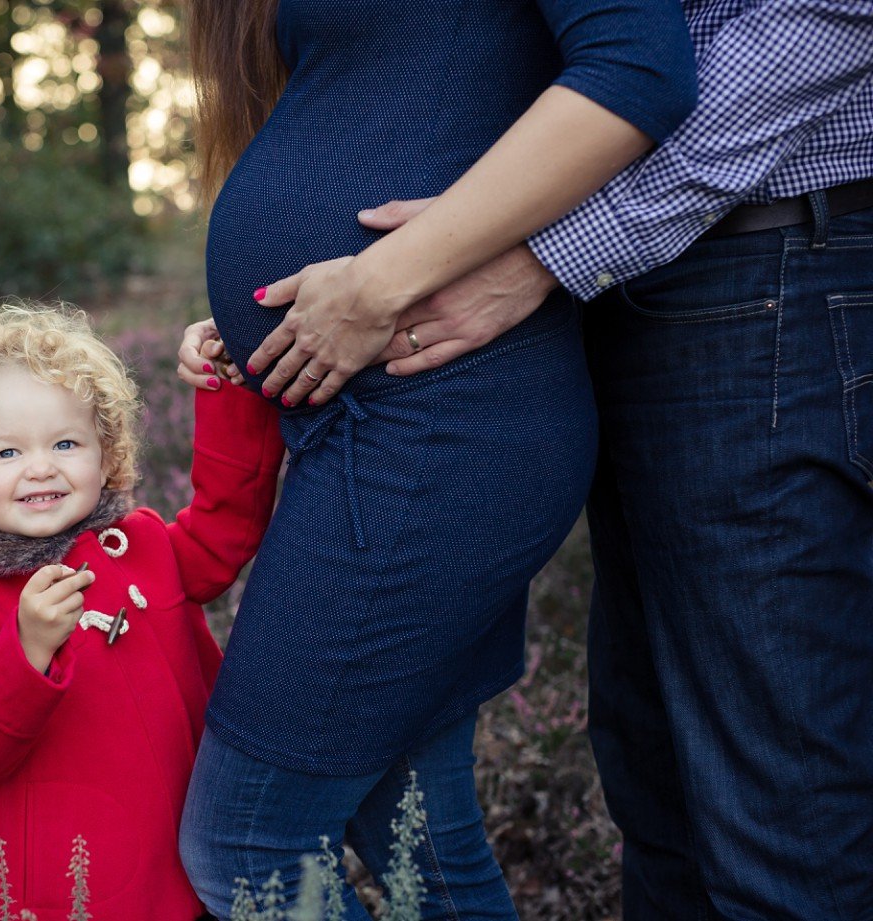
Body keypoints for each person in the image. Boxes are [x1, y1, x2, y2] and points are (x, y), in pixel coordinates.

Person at [189, 5, 873, 914]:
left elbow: (699, 51)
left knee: (249, 839)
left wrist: (525, 252)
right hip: (599, 307)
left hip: (735, 269)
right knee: (640, 790)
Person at [0, 302, 283, 919]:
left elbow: (221, 533)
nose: (41, 467)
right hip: (73, 887)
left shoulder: (141, 544)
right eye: (6, 453)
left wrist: (228, 390)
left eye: (66, 442)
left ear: (107, 453)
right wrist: (26, 650)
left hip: (189, 861)